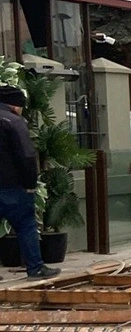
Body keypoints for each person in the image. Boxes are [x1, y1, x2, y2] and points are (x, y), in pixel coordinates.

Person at [0, 85, 59, 280]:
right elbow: (26, 155)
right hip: (13, 185)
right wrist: (30, 183)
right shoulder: (14, 121)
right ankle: (35, 268)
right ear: (16, 105)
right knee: (25, 226)